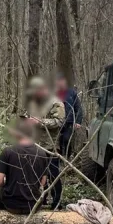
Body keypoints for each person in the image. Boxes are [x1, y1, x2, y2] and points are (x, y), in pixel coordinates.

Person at [0, 120, 52, 214]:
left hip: (11, 205)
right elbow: (43, 182)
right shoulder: (41, 153)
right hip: (33, 205)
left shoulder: (7, 152)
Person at [24, 77, 65, 209]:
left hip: (50, 146)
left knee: (53, 174)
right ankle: (42, 199)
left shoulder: (56, 103)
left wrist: (40, 122)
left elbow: (59, 122)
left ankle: (57, 201)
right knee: (38, 173)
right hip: (37, 145)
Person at [56, 72, 84, 157]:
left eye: (62, 81)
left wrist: (78, 121)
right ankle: (60, 158)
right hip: (57, 121)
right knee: (59, 140)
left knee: (67, 139)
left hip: (69, 121)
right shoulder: (54, 93)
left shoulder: (72, 93)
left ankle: (67, 157)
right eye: (58, 81)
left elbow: (78, 108)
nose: (60, 83)